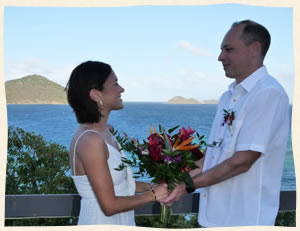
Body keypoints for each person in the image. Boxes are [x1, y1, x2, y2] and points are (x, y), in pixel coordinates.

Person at [161, 20, 290, 227]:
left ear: (254, 48)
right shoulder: (227, 97)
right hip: (212, 218)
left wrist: (187, 185)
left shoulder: (268, 93)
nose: (220, 57)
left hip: (244, 220)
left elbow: (242, 161)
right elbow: (211, 157)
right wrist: (174, 180)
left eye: (228, 49)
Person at [65, 61, 168, 225]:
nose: (121, 89)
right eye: (115, 84)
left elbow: (120, 185)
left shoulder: (106, 131)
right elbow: (109, 206)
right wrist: (154, 195)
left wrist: (151, 186)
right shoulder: (90, 140)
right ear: (96, 95)